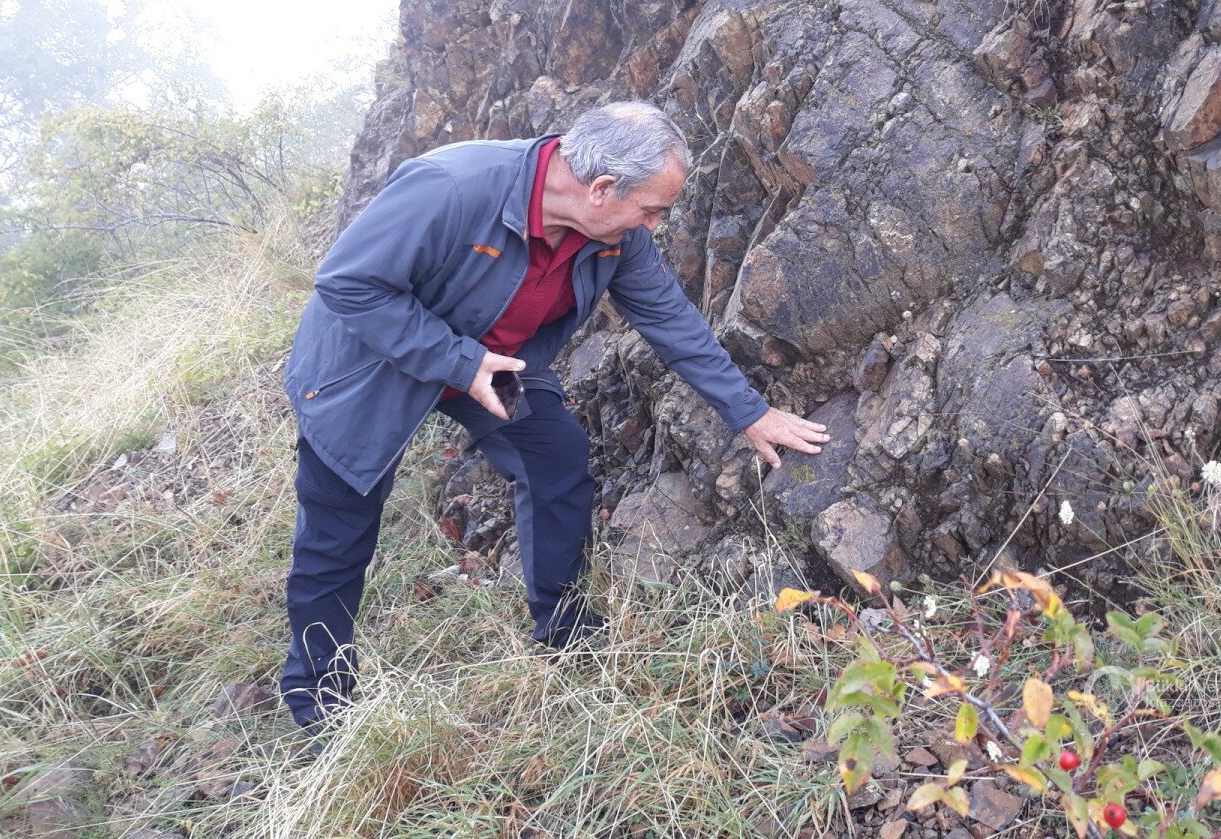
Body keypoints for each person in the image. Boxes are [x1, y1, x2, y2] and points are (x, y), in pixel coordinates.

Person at [279, 101, 829, 728]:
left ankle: (565, 630)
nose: (655, 223)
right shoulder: (452, 187)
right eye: (652, 208)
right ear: (601, 188)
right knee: (339, 532)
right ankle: (318, 702)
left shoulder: (614, 239)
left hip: (493, 370)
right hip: (367, 373)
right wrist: (460, 361)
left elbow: (672, 321)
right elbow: (348, 283)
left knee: (556, 457)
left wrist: (751, 413)